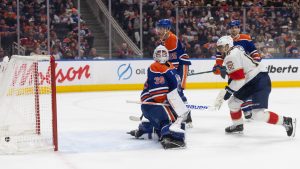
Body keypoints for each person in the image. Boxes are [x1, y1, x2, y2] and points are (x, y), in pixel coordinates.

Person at [214, 36, 296, 137]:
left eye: (221, 47)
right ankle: (238, 125)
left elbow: (239, 79)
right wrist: (225, 70)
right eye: (218, 48)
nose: (220, 50)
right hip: (251, 80)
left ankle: (286, 121)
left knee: (258, 115)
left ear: (228, 46)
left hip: (259, 80)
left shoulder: (231, 56)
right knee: (233, 103)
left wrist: (228, 91)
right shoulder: (234, 52)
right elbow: (240, 71)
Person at [127, 45, 190, 149]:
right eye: (159, 53)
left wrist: (178, 101)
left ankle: (147, 129)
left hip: (160, 102)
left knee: (179, 120)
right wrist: (170, 102)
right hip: (153, 102)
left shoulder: (170, 66)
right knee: (170, 120)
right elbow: (158, 94)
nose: (161, 56)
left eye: (164, 53)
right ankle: (169, 138)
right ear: (154, 55)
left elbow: (175, 89)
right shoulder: (155, 67)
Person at [213, 20, 262, 120]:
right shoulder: (225, 40)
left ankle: (248, 109)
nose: (234, 29)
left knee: (245, 89)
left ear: (239, 28)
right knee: (236, 90)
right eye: (232, 27)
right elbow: (219, 56)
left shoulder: (246, 38)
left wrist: (256, 60)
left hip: (245, 68)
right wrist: (217, 66)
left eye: (236, 27)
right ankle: (246, 110)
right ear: (229, 29)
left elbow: (253, 52)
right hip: (232, 69)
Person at [156, 19, 192, 126]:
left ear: (167, 29)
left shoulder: (172, 39)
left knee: (178, 91)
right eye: (158, 28)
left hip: (181, 66)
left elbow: (174, 62)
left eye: (161, 28)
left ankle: (187, 117)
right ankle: (180, 112)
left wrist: (169, 74)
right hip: (174, 66)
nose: (159, 30)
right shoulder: (163, 39)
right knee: (173, 91)